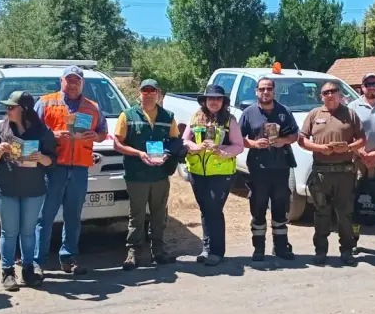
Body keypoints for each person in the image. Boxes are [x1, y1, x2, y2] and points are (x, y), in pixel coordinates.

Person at [33, 65, 107, 277]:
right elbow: (33, 132)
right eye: (69, 80)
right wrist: (53, 135)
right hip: (53, 168)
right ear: (61, 81)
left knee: (73, 216)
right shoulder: (46, 102)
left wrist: (97, 137)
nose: (73, 84)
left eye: (77, 80)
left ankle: (69, 258)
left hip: (80, 169)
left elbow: (102, 131)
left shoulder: (92, 107)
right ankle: (38, 261)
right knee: (44, 216)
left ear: (82, 83)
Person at [0, 91, 56, 291]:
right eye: (7, 107)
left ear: (23, 110)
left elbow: (52, 160)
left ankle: (28, 270)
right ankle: (7, 272)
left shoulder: (42, 131)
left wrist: (41, 158)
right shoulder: (2, 129)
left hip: (34, 190)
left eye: (11, 107)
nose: (7, 110)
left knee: (27, 233)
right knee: (9, 232)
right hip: (7, 189)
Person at [113, 79, 181, 270]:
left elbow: (175, 141)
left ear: (158, 94)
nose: (149, 93)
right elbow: (117, 144)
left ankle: (158, 250)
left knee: (159, 214)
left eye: (153, 90)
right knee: (137, 215)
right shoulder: (127, 115)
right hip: (137, 174)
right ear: (139, 93)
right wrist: (139, 153)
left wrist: (168, 155)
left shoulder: (168, 116)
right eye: (145, 90)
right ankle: (133, 252)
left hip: (160, 174)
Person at [298, 81, 366, 266]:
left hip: (344, 172)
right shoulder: (314, 114)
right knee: (321, 213)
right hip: (321, 173)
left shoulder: (350, 114)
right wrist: (320, 148)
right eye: (325, 92)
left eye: (333, 91)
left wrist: (348, 147)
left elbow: (362, 139)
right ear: (321, 96)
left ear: (340, 94)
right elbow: (302, 140)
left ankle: (347, 251)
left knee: (345, 214)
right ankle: (320, 251)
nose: (330, 95)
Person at [182, 85, 244, 266]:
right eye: (211, 98)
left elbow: (239, 146)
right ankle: (207, 249)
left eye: (218, 99)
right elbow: (185, 140)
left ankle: (217, 252)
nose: (214, 102)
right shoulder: (196, 117)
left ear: (223, 102)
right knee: (205, 210)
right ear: (205, 101)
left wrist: (221, 150)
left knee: (214, 210)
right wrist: (193, 147)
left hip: (221, 173)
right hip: (198, 172)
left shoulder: (229, 120)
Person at [239, 77, 299, 261]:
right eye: (262, 89)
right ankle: (259, 248)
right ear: (256, 91)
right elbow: (238, 139)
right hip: (258, 168)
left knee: (281, 207)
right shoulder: (249, 113)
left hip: (281, 167)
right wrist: (255, 143)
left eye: (269, 89)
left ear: (274, 91)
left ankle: (280, 247)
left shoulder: (284, 111)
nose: (266, 92)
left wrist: (283, 140)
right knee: (258, 207)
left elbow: (295, 134)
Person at [346, 73, 375, 249]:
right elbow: (348, 134)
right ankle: (353, 240)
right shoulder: (352, 107)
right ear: (362, 87)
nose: (372, 86)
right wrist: (362, 154)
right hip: (358, 159)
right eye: (368, 84)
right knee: (355, 197)